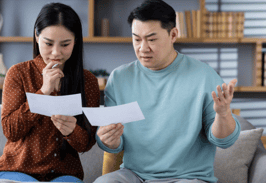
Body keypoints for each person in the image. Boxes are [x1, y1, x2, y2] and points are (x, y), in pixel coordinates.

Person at [94, 0, 240, 183]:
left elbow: (225, 141)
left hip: (188, 178)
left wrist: (224, 113)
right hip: (135, 175)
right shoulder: (120, 78)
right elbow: (113, 144)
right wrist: (109, 140)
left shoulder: (204, 76)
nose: (142, 48)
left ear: (173, 35)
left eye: (152, 39)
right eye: (136, 39)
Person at [0, 2, 100, 182]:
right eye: (48, 43)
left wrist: (71, 130)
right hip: (16, 169)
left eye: (65, 44)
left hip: (64, 174)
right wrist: (43, 92)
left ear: (76, 41)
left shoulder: (88, 81)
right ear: (37, 36)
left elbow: (85, 144)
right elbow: (10, 131)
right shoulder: (18, 73)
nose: (56, 52)